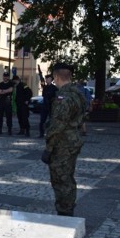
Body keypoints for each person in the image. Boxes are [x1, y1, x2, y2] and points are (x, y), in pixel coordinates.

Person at [41, 63, 86, 217]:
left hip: (62, 143)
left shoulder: (63, 97)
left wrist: (48, 148)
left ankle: (65, 211)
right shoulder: (77, 93)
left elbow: (57, 126)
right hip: (73, 140)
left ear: (56, 77)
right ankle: (68, 208)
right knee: (68, 177)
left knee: (61, 179)